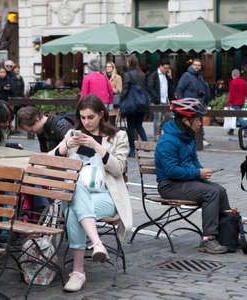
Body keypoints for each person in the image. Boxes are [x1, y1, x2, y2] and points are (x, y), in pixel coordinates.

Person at [50, 94, 131, 292]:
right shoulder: (72, 135)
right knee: (75, 191)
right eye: (83, 117)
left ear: (101, 115)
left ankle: (78, 272)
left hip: (105, 195)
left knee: (73, 210)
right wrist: (64, 147)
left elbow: (119, 168)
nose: (86, 122)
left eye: (91, 117)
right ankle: (96, 244)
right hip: (77, 193)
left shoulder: (117, 136)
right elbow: (48, 160)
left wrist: (97, 146)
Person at [155, 98, 232, 254]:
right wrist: (198, 173)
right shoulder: (167, 141)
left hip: (184, 182)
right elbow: (171, 171)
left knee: (220, 190)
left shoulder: (188, 137)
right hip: (169, 185)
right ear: (186, 120)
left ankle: (227, 234)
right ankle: (208, 239)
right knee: (211, 192)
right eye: (198, 120)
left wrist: (202, 172)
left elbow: (194, 162)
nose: (200, 123)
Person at [120, 55, 149, 157]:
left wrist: (120, 102)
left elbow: (125, 91)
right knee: (139, 126)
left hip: (131, 105)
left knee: (131, 127)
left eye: (127, 62)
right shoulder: (142, 74)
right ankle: (146, 147)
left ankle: (132, 150)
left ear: (130, 63)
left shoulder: (128, 75)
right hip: (141, 104)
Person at [147, 59, 175, 136]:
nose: (166, 70)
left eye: (168, 68)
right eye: (165, 68)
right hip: (157, 100)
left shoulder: (166, 75)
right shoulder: (154, 75)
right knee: (157, 119)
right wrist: (155, 97)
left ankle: (161, 128)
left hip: (165, 100)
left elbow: (171, 86)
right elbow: (150, 87)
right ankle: (156, 135)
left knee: (169, 116)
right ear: (160, 66)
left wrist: (170, 77)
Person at [227, 69, 247, 136]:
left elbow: (231, 94)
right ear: (239, 75)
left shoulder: (232, 82)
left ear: (233, 75)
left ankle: (246, 130)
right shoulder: (244, 82)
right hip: (241, 103)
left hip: (235, 103)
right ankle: (231, 131)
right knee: (236, 116)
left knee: (239, 116)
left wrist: (228, 103)